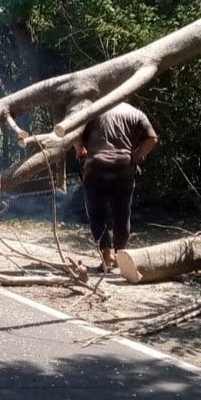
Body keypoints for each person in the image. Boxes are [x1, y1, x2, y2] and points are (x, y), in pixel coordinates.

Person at [74, 100, 158, 272]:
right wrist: (136, 156)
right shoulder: (135, 113)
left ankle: (106, 256)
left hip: (96, 168)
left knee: (97, 214)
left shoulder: (93, 111)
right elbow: (152, 138)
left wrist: (80, 149)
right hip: (123, 169)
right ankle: (120, 257)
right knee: (122, 213)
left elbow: (75, 134)